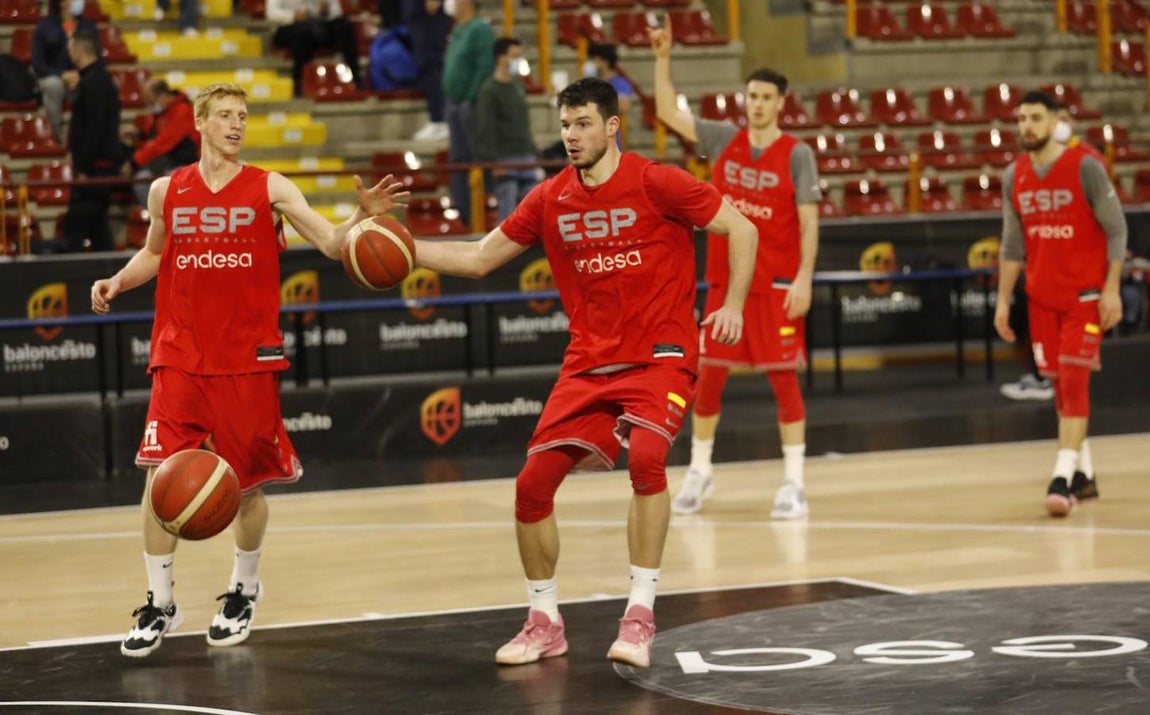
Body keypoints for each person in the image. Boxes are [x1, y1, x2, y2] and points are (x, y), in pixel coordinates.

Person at [411, 77, 757, 668]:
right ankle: (544, 620)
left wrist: (732, 304)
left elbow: (742, 229)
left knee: (647, 457)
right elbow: (476, 258)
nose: (570, 137)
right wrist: (392, 241)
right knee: (530, 487)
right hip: (589, 362)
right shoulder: (549, 198)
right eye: (565, 126)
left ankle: (640, 614)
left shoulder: (656, 181)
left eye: (583, 125)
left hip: (660, 354)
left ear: (612, 125)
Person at [90, 82, 407, 658]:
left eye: (244, 116)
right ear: (201, 123)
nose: (237, 125)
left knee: (249, 486)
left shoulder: (271, 186)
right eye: (227, 116)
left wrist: (361, 220)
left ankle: (244, 587)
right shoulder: (168, 190)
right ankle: (160, 601)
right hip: (180, 354)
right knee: (159, 477)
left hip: (247, 358)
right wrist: (118, 279)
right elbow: (156, 253)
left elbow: (334, 244)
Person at [649, 16, 821, 519]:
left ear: (781, 102)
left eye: (766, 97)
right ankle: (701, 471)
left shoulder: (798, 154)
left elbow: (810, 222)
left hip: (779, 284)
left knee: (784, 382)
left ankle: (794, 481)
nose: (757, 103)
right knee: (707, 379)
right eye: (751, 95)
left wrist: (807, 277)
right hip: (727, 286)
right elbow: (664, 111)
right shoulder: (723, 139)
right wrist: (663, 58)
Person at [993, 90, 1127, 518]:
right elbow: (1012, 244)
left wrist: (1111, 288)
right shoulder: (1014, 175)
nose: (1026, 126)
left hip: (1084, 296)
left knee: (1074, 381)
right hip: (1041, 298)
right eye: (1021, 119)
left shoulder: (1085, 166)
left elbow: (1118, 229)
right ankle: (1083, 477)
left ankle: (1060, 477)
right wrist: (1001, 301)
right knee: (1059, 388)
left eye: (1035, 117)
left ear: (1056, 121)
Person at [63, 29, 122, 253]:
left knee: (75, 224)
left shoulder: (93, 83)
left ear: (78, 51)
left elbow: (94, 129)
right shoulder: (99, 80)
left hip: (95, 168)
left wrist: (84, 166)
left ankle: (70, 280)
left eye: (70, 51)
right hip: (99, 165)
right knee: (99, 228)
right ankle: (111, 280)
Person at [476, 37, 541, 222]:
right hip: (505, 157)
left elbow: (524, 122)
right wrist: (493, 161)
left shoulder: (519, 86)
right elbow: (485, 127)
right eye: (514, 56)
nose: (519, 60)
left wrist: (533, 149)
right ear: (501, 58)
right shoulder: (489, 90)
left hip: (526, 154)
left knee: (534, 210)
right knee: (507, 212)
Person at [441, 0, 495, 214]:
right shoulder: (457, 29)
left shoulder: (480, 29)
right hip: (452, 103)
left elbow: (484, 67)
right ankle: (462, 210)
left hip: (470, 105)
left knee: (476, 155)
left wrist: (469, 97)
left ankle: (482, 210)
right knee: (457, 158)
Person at [30, 0, 98, 142]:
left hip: (81, 78)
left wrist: (81, 76)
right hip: (53, 76)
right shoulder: (44, 27)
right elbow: (37, 63)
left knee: (98, 82)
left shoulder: (89, 26)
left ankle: (90, 135)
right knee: (53, 85)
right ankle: (56, 135)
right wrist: (61, 74)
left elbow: (98, 58)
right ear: (62, 2)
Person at [126, 79, 200, 206]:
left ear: (163, 96)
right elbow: (152, 136)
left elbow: (163, 143)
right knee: (141, 180)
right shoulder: (161, 114)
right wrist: (138, 135)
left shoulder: (182, 110)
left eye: (151, 101)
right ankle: (156, 219)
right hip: (166, 162)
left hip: (185, 164)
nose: (150, 105)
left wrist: (135, 161)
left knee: (166, 181)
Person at [266, 0, 362, 98]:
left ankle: (357, 79)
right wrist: (293, 15)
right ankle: (298, 83)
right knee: (303, 33)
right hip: (287, 27)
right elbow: (271, 13)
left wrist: (323, 10)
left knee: (344, 27)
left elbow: (336, 12)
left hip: (315, 26)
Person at [405, 0, 452, 141]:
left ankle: (440, 120)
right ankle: (436, 117)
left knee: (431, 66)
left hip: (429, 19)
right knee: (425, 67)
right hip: (418, 17)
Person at [584, 43, 635, 117]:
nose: (590, 63)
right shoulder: (591, 84)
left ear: (605, 62)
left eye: (593, 59)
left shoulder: (620, 83)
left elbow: (624, 107)